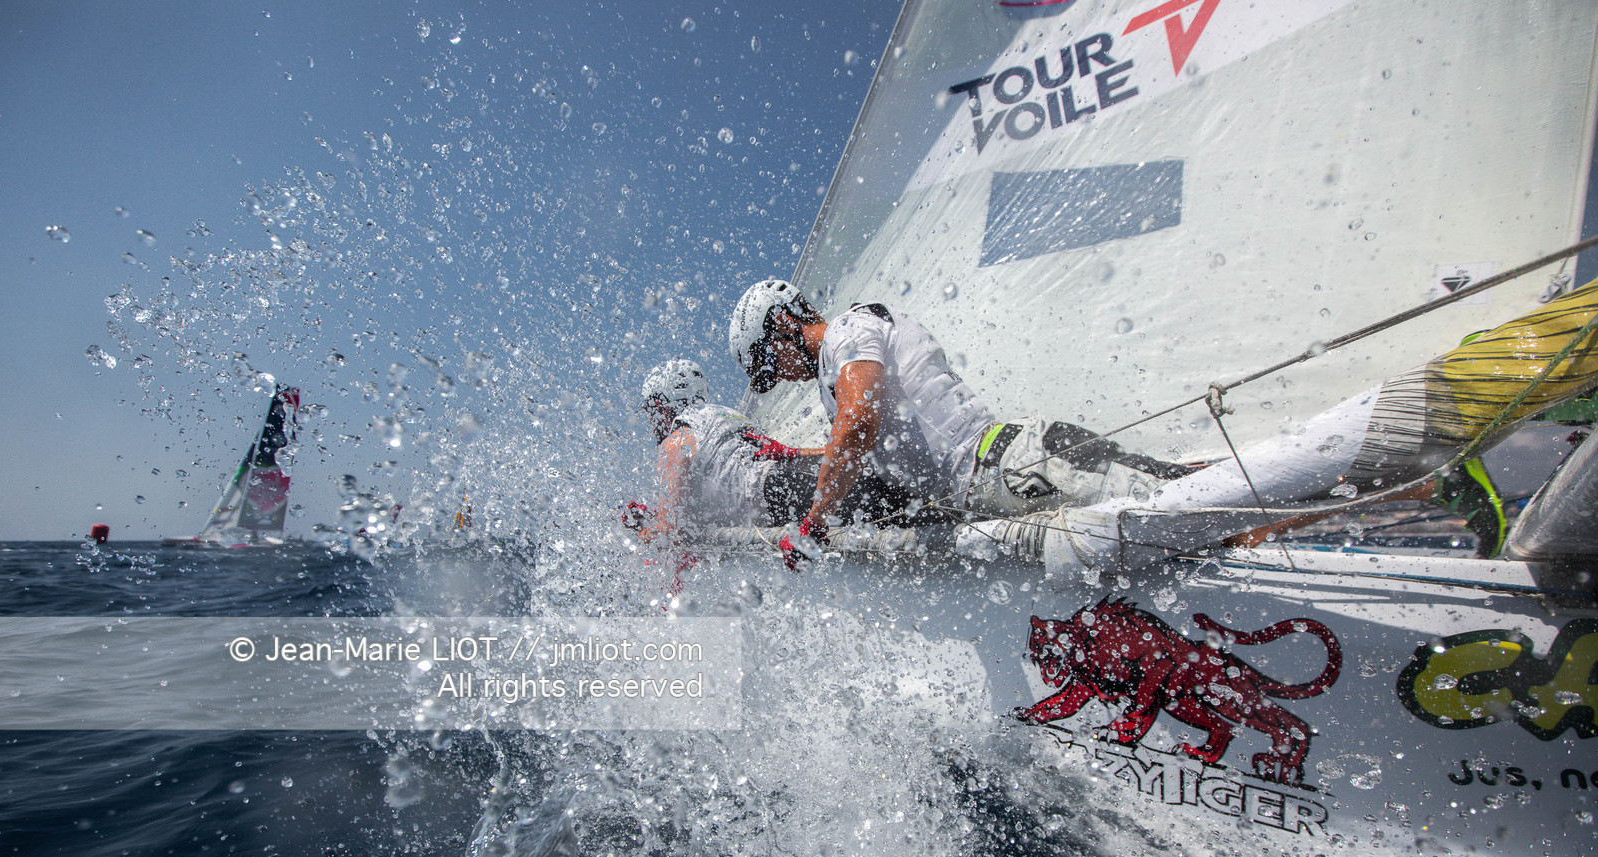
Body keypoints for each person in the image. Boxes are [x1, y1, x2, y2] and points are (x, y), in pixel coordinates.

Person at [984, 276, 1598, 578]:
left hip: (1465, 405)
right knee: (1215, 508)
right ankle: (1428, 479)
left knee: (1194, 510)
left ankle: (1427, 474)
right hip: (1473, 401)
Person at [726, 279, 1189, 569]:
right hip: (994, 482)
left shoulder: (847, 331)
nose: (777, 377)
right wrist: (794, 454)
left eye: (767, 365)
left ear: (783, 322)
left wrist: (813, 523)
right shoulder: (834, 372)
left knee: (1192, 505)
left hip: (1016, 463)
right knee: (1176, 527)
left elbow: (858, 425)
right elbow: (867, 443)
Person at [624, 358, 908, 545]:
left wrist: (640, 531)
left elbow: (671, 531)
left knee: (887, 511)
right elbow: (780, 455)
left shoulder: (676, 440)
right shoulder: (725, 415)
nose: (650, 420)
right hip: (787, 480)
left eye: (650, 410)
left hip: (772, 496)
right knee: (897, 506)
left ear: (661, 405)